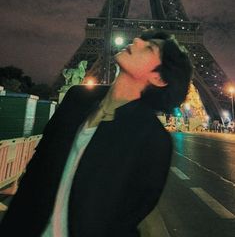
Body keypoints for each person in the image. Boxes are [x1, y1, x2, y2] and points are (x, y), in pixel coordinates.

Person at [0, 30, 193, 237]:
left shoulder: (154, 140)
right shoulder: (77, 98)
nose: (136, 40)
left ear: (158, 78)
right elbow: (39, 166)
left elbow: (128, 217)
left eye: (148, 47)